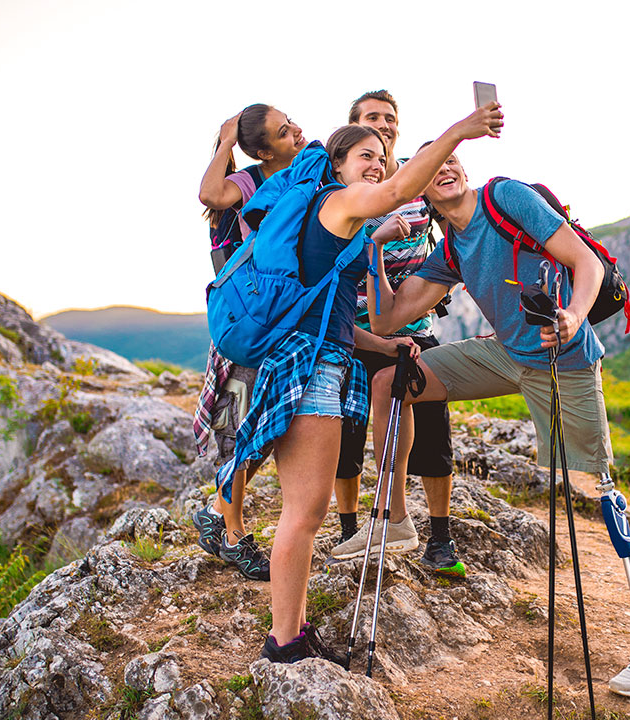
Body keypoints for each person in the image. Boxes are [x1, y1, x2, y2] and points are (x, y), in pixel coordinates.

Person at [364, 152, 630, 697]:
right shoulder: (451, 252)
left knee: (594, 485)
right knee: (390, 383)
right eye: (432, 168)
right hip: (507, 355)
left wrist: (573, 316)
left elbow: (587, 263)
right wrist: (372, 248)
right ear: (419, 191)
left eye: (452, 159)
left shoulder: (502, 198)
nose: (447, 169)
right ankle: (396, 519)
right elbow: (388, 319)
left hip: (567, 358)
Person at [215, 105, 503, 664]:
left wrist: (385, 346)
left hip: (306, 357)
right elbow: (399, 190)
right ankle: (285, 642)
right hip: (313, 370)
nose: (378, 164)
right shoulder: (337, 203)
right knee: (305, 512)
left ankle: (291, 630)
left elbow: (333, 317)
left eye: (381, 155)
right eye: (365, 156)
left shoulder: (328, 218)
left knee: (304, 510)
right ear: (338, 164)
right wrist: (460, 133)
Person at [328, 90, 462, 578]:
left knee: (431, 431)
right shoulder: (344, 188)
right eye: (371, 120)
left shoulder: (414, 179)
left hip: (415, 328)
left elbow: (455, 212)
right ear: (353, 129)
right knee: (346, 431)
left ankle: (440, 538)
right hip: (353, 330)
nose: (382, 126)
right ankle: (351, 529)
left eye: (389, 119)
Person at [192, 104, 306, 581]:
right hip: (254, 320)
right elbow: (209, 193)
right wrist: (224, 143)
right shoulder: (251, 183)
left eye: (292, 121)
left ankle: (217, 517)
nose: (297, 130)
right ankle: (232, 535)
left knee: (269, 426)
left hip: (287, 318)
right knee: (240, 430)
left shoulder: (308, 172)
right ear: (263, 150)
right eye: (284, 131)